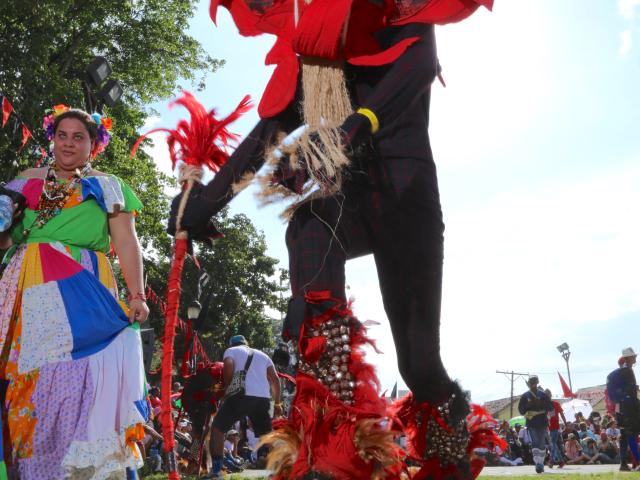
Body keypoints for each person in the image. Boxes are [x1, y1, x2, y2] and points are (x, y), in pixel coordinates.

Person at [168, 0, 497, 478]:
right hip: (349, 199)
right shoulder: (312, 49)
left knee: (420, 364)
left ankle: (449, 442)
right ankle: (331, 435)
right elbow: (268, 132)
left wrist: (352, 126)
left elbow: (420, 66)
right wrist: (202, 204)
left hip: (407, 200)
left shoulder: (401, 13)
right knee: (308, 222)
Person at [0, 106, 149, 478]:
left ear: (93, 145)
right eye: (62, 135)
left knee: (79, 381)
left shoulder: (107, 185)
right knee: (28, 383)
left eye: (78, 137)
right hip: (25, 286)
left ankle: (77, 470)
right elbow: (5, 241)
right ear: (52, 139)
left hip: (84, 289)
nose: (68, 143)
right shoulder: (24, 181)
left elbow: (127, 243)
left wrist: (138, 294)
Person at [206, 335, 281, 479]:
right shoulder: (263, 355)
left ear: (231, 343)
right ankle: (276, 470)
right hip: (262, 398)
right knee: (267, 434)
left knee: (218, 429)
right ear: (246, 343)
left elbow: (228, 364)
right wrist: (277, 403)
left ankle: (217, 471)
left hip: (241, 395)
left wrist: (228, 388)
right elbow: (275, 379)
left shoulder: (231, 351)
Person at [608, 348, 640, 471]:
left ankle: (623, 464)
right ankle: (638, 460)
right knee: (631, 432)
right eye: (633, 356)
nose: (635, 358)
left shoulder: (625, 371)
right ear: (627, 358)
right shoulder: (626, 371)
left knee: (624, 435)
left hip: (623, 408)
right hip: (628, 408)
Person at [518, 376, 553, 473]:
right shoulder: (525, 396)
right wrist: (527, 406)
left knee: (541, 443)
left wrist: (541, 404)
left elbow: (550, 407)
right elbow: (521, 410)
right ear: (529, 384)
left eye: (534, 383)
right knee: (535, 442)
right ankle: (537, 463)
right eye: (531, 383)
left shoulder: (543, 395)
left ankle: (541, 463)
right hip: (531, 422)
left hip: (542, 421)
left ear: (537, 383)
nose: (533, 385)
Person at [545, 389, 567, 468]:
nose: (547, 395)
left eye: (548, 394)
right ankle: (558, 461)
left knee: (553, 444)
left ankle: (553, 461)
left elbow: (561, 414)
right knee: (554, 444)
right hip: (550, 428)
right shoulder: (545, 406)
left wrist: (565, 423)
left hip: (555, 428)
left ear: (550, 395)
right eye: (546, 394)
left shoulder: (555, 404)